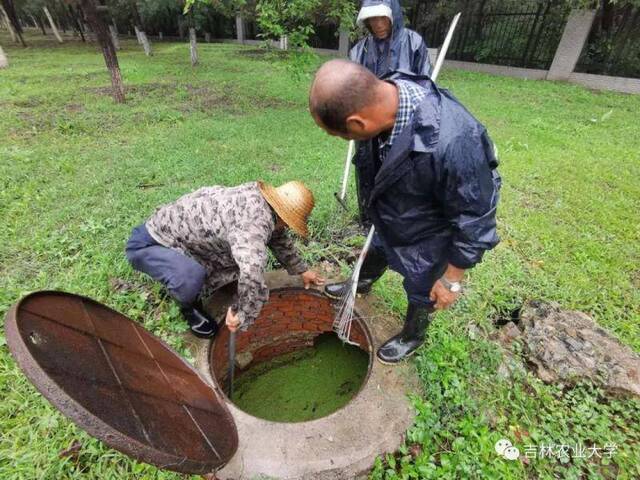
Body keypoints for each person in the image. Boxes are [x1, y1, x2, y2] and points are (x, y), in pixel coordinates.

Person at [309, 60, 501, 364]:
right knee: (375, 251)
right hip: (392, 214)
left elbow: (476, 218)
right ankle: (361, 283)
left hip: (430, 234)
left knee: (421, 287)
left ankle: (414, 334)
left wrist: (452, 280)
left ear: (358, 124)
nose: (346, 141)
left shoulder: (455, 141)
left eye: (342, 136)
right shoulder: (384, 97)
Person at [125, 181, 325, 338]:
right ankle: (188, 306)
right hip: (150, 244)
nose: (288, 227)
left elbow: (277, 237)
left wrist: (301, 269)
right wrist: (241, 312)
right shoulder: (252, 224)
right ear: (283, 215)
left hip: (189, 239)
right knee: (191, 276)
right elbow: (251, 274)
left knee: (238, 259)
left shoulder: (263, 203)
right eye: (289, 223)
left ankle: (197, 277)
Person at [350, 0, 432, 225]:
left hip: (402, 121)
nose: (377, 24)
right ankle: (370, 220)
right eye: (372, 18)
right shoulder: (360, 50)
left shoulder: (412, 43)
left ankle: (398, 220)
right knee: (369, 169)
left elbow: (425, 84)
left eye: (382, 17)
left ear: (393, 15)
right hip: (369, 124)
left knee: (399, 170)